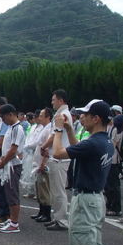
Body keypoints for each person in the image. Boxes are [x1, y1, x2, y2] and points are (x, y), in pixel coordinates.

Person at [52, 100, 114, 245]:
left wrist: (58, 129)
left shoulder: (93, 143)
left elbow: (59, 153)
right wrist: (69, 130)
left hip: (85, 200)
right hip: (97, 199)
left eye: (86, 115)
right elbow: (80, 150)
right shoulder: (104, 142)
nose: (82, 118)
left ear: (96, 118)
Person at [40, 90, 72, 231]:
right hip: (56, 156)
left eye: (53, 100)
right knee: (55, 191)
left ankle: (62, 220)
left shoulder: (62, 115)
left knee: (59, 191)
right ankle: (57, 218)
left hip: (60, 159)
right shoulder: (61, 114)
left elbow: (54, 135)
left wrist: (44, 146)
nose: (52, 102)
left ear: (60, 100)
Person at [0, 104, 26, 232]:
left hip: (13, 165)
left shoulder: (17, 128)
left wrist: (3, 161)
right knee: (8, 192)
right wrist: (2, 159)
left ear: (11, 114)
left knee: (12, 194)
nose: (2, 120)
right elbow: (7, 148)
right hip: (8, 164)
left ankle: (14, 223)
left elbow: (13, 150)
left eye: (3, 117)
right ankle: (12, 219)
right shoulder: (11, 128)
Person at [31, 108, 53, 222]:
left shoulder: (50, 129)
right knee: (39, 189)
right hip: (37, 162)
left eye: (41, 115)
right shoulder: (44, 128)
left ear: (48, 117)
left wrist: (43, 163)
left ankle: (46, 214)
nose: (39, 117)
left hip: (43, 163)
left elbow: (47, 148)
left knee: (44, 189)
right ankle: (41, 211)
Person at [104, 109, 123, 216]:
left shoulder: (117, 129)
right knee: (107, 186)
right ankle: (109, 205)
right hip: (108, 159)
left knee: (113, 185)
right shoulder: (109, 127)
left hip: (114, 160)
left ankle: (116, 207)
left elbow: (113, 144)